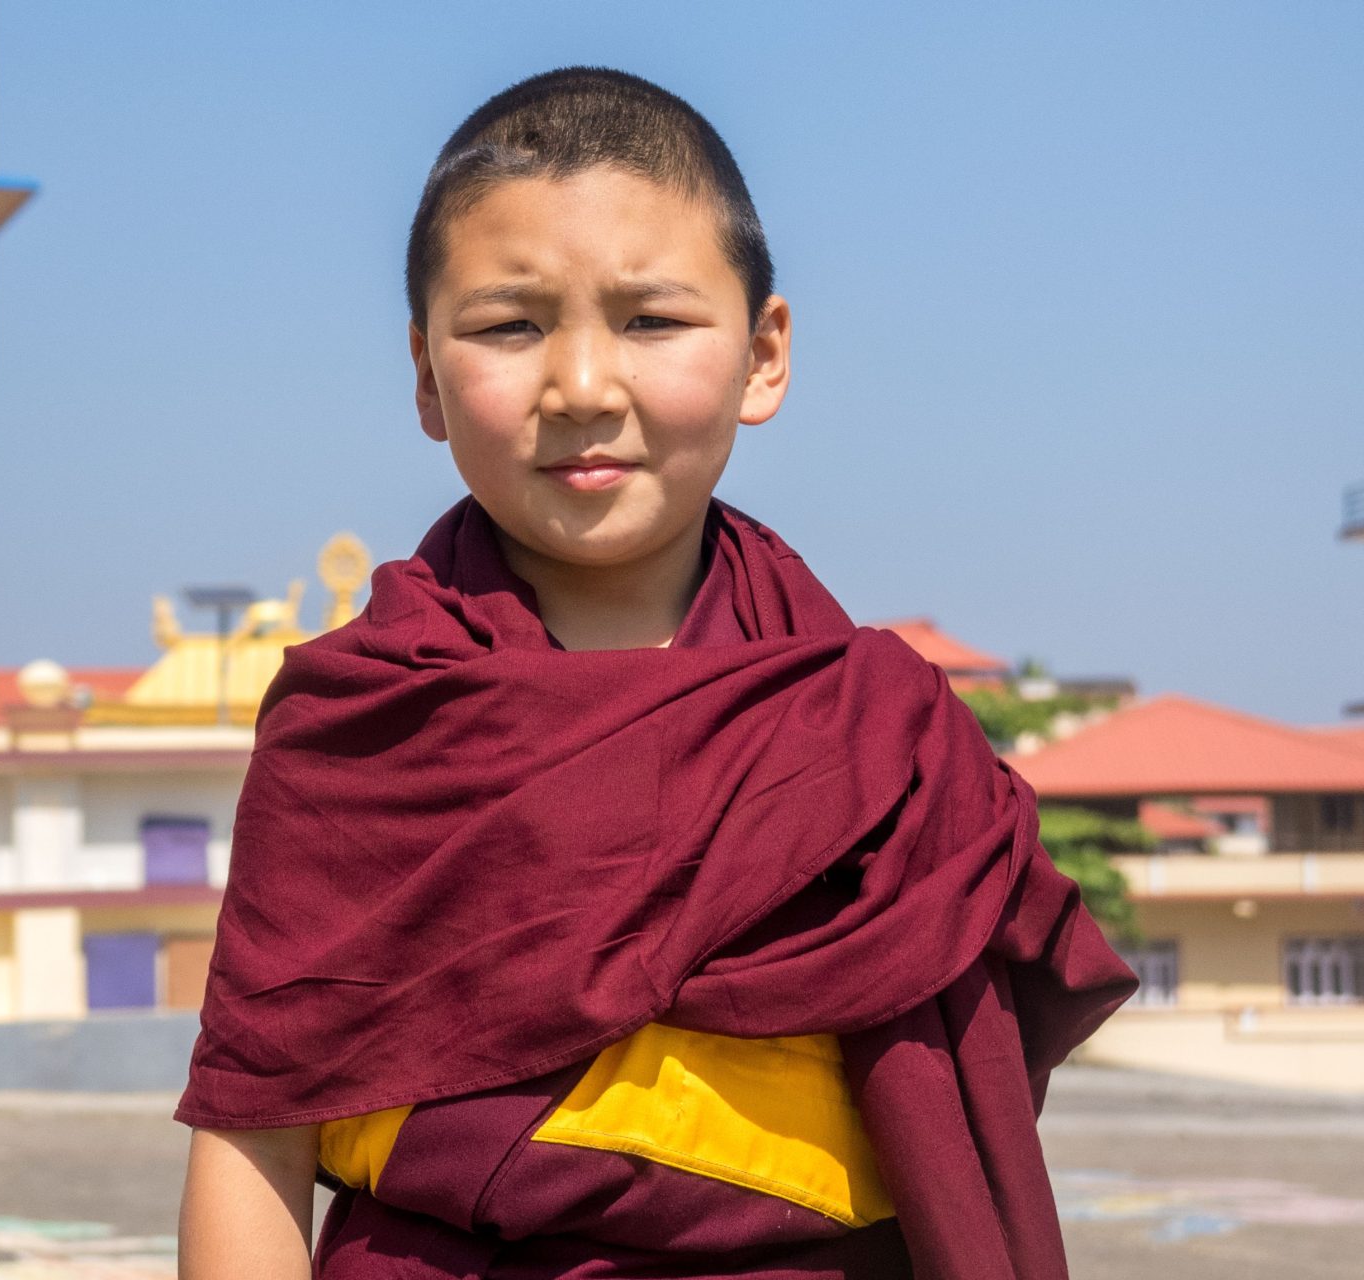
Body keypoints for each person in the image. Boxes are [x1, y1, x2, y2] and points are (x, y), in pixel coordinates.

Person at [174, 66, 1137, 1280]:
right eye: (509, 326)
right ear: (425, 372)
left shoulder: (876, 737)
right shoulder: (365, 725)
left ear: (764, 352)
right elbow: (252, 1140)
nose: (584, 386)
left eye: (651, 320)